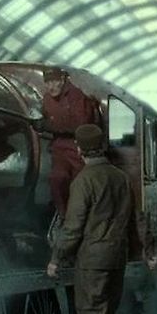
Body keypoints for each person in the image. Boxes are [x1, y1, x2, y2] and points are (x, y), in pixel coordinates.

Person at [47, 124, 157, 314]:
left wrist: (56, 258)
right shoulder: (121, 178)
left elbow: (73, 227)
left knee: (91, 309)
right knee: (107, 310)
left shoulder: (84, 181)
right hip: (117, 257)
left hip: (93, 259)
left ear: (79, 148)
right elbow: (138, 219)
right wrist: (149, 250)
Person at [38, 69, 101, 217]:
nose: (51, 86)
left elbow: (81, 125)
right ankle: (63, 215)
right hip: (59, 149)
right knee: (57, 179)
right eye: (47, 82)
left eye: (54, 81)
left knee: (79, 183)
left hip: (77, 147)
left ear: (63, 80)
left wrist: (48, 126)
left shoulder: (77, 96)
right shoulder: (47, 99)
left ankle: (82, 215)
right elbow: (45, 117)